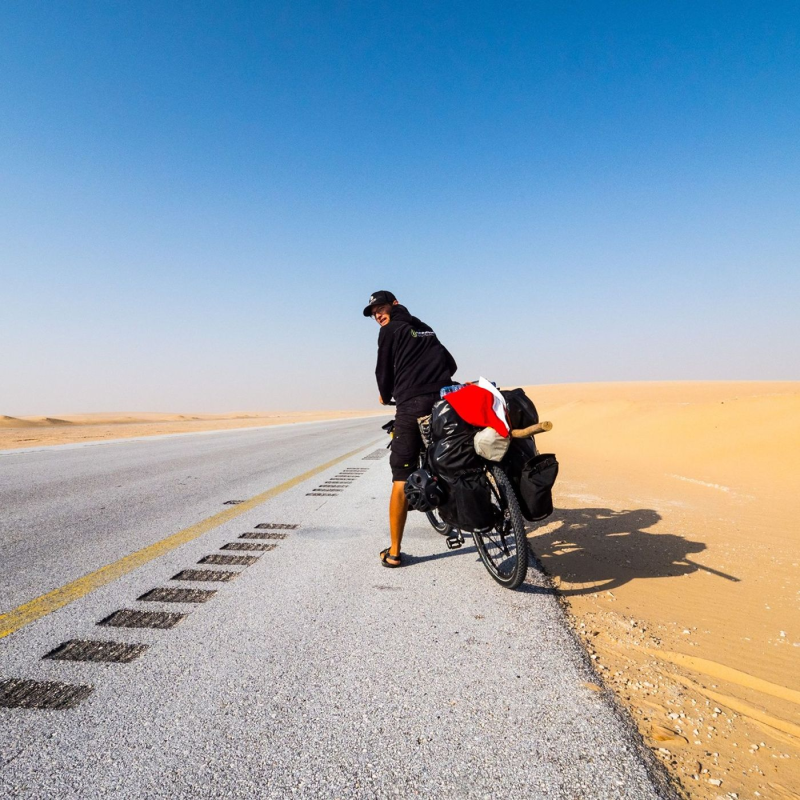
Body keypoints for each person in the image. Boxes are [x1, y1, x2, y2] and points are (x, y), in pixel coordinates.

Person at [362, 290, 458, 567]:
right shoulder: (425, 328)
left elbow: (383, 371)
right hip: (445, 399)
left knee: (401, 475)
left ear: (395, 304)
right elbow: (451, 364)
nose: (378, 316)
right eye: (373, 313)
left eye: (381, 309)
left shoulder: (390, 330)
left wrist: (385, 394)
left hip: (412, 404)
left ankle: (394, 552)